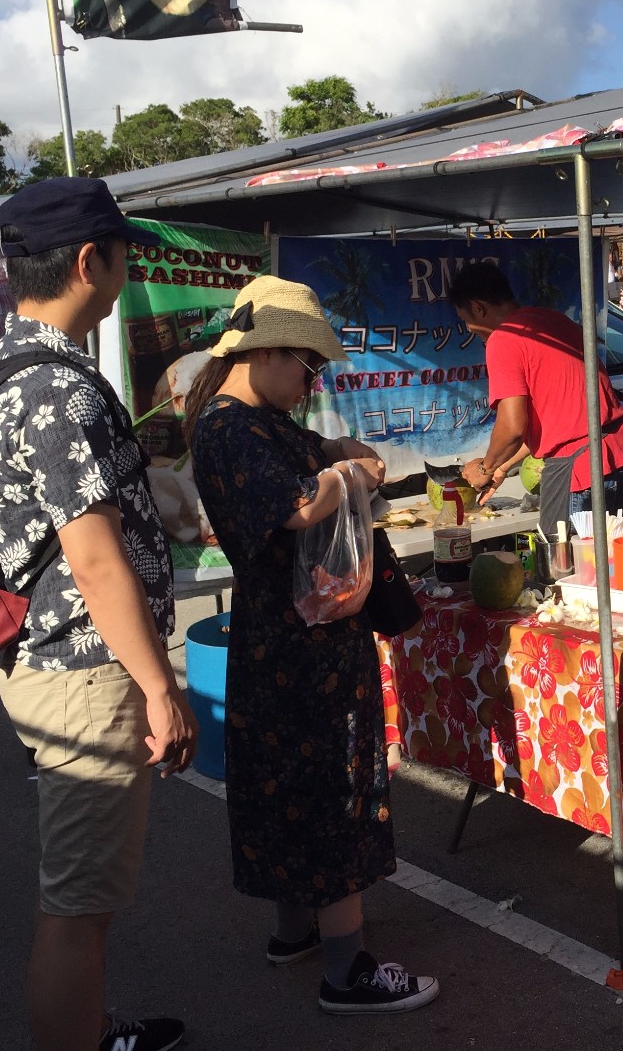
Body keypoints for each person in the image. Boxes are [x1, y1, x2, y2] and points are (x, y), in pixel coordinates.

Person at [186, 276, 438, 1017]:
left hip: (280, 641)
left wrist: (334, 452)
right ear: (267, 351)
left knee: (287, 791)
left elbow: (354, 460)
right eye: (307, 365)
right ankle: (346, 970)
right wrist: (340, 474)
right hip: (304, 649)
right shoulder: (233, 429)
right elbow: (297, 506)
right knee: (330, 791)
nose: (312, 381)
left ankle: (294, 931)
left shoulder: (251, 421)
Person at [0, 177, 195, 1051]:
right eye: (121, 251)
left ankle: (95, 1028)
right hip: (84, 670)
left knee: (83, 898)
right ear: (87, 261)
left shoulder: (13, 364)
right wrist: (158, 688)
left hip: (57, 659)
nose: (125, 267)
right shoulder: (58, 389)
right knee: (78, 909)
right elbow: (93, 555)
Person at [451, 260, 623, 539]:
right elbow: (559, 421)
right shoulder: (552, 321)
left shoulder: (503, 339)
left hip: (579, 474)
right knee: (616, 573)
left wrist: (485, 467)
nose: (469, 329)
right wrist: (502, 467)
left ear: (479, 308)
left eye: (465, 320)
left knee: (568, 575)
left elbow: (513, 425)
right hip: (621, 458)